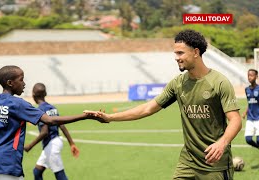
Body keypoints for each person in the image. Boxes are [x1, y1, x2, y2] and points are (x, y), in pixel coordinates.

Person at [85, 29, 242, 179]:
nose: (176, 57)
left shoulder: (219, 82)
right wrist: (110, 117)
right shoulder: (178, 83)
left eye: (180, 53)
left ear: (195, 52)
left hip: (214, 163)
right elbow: (147, 108)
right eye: (175, 53)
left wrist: (222, 143)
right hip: (188, 161)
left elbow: (235, 120)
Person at [0, 65, 104, 180]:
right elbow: (50, 120)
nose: (24, 83)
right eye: (21, 79)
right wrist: (85, 116)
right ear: (10, 83)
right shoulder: (18, 104)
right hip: (8, 166)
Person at [24, 83, 79, 180]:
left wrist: (30, 146)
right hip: (55, 142)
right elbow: (62, 126)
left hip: (52, 145)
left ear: (33, 95)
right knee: (37, 171)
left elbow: (44, 132)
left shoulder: (40, 110)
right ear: (45, 93)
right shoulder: (52, 107)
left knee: (60, 175)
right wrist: (71, 143)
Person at [242, 69, 259, 148]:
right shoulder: (247, 89)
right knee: (248, 139)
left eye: (251, 75)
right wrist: (245, 112)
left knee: (258, 140)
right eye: (248, 75)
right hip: (250, 118)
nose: (249, 77)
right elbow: (250, 102)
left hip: (258, 118)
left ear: (256, 76)